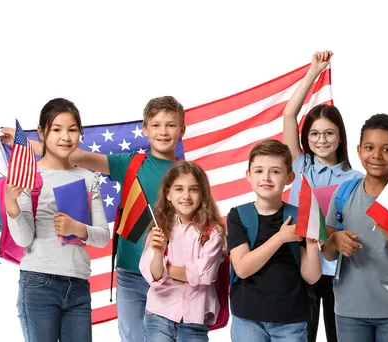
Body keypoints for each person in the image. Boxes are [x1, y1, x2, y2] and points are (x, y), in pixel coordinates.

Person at [1, 95, 186, 342]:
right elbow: (74, 155)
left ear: (182, 130)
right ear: (145, 129)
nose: (163, 132)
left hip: (171, 273)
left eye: (171, 125)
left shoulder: (188, 175)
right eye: (156, 125)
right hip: (131, 273)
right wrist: (27, 143)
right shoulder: (131, 163)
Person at [5, 98, 110, 341]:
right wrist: (12, 206)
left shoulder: (87, 178)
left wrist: (77, 228)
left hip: (79, 285)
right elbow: (23, 239)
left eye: (72, 130)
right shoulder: (29, 176)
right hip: (39, 283)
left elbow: (102, 236)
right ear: (41, 132)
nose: (65, 137)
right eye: (56, 129)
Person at [322, 114, 388, 342]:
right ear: (359, 150)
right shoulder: (343, 194)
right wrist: (335, 241)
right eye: (370, 147)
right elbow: (328, 253)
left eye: (387, 149)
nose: (377, 155)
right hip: (349, 310)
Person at [283, 50, 363, 342]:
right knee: (300, 335)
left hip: (340, 273)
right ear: (307, 139)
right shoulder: (300, 166)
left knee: (337, 336)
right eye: (314, 134)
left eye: (329, 133)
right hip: (300, 265)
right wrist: (314, 71)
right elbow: (289, 114)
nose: (322, 140)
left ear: (340, 136)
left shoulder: (356, 180)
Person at [227, 139, 322, 342]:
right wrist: (280, 238)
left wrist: (313, 246)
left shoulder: (299, 216)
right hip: (248, 318)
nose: (266, 178)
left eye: (275, 171)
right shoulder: (238, 215)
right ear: (249, 176)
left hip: (291, 320)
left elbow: (311, 277)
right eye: (259, 171)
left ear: (290, 177)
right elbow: (242, 268)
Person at [139, 161, 226, 342]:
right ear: (168, 194)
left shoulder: (213, 231)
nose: (186, 196)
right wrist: (158, 254)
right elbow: (152, 276)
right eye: (179, 189)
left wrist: (166, 269)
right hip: (158, 316)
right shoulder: (160, 228)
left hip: (194, 321)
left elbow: (204, 275)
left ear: (203, 194)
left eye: (193, 189)